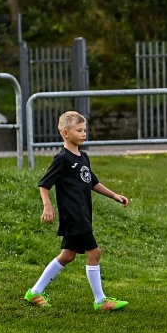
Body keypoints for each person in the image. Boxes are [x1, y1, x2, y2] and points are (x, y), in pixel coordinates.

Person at [25, 110, 129, 311]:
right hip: (74, 216)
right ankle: (101, 301)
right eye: (79, 130)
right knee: (95, 252)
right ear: (65, 133)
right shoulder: (61, 159)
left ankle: (35, 292)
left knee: (68, 255)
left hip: (82, 213)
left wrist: (114, 195)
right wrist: (48, 205)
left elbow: (93, 182)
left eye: (84, 130)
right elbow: (44, 184)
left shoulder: (83, 156)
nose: (83, 134)